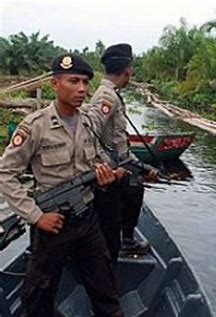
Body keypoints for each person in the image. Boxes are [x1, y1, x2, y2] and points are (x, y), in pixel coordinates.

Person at [0, 53, 124, 317]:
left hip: (87, 219)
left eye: (86, 83)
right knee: (39, 297)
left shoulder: (89, 122)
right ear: (55, 84)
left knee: (106, 291)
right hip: (52, 226)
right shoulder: (35, 127)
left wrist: (107, 177)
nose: (81, 89)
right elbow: (5, 173)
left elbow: (99, 160)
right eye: (73, 81)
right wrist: (36, 216)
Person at [89, 43, 157, 262]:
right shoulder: (106, 97)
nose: (132, 73)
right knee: (133, 187)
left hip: (120, 159)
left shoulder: (112, 94)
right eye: (131, 68)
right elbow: (89, 135)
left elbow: (118, 140)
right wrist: (107, 166)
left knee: (137, 181)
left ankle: (124, 237)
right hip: (111, 165)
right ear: (126, 69)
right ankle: (125, 240)